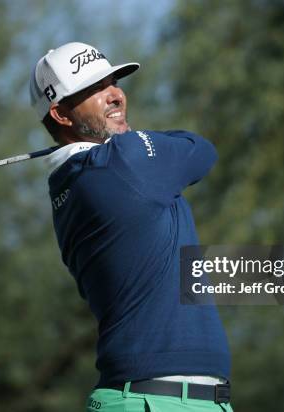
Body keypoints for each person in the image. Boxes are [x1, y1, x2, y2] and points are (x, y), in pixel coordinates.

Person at [30, 42, 232, 412]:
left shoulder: (74, 181)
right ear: (60, 114)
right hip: (151, 401)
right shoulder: (124, 162)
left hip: (173, 398)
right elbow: (201, 149)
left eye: (113, 82)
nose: (116, 96)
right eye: (94, 90)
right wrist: (137, 142)